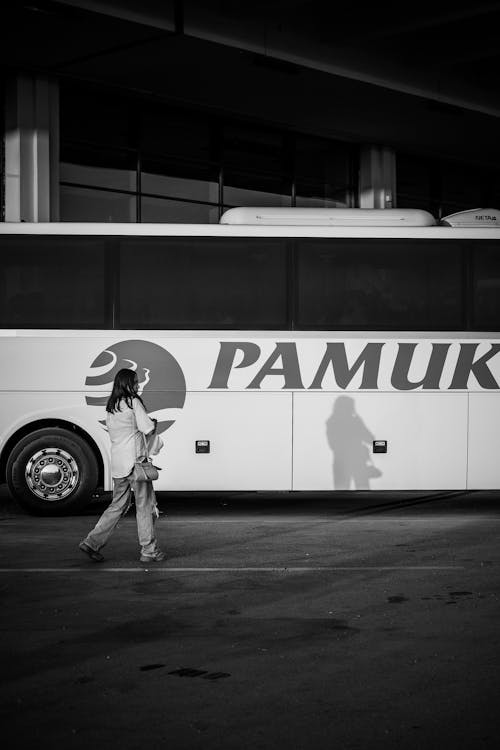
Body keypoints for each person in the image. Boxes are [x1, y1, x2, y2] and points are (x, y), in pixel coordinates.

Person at [79, 368, 165, 563]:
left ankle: (92, 542)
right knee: (145, 506)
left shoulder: (112, 406)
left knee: (117, 505)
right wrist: (153, 422)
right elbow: (147, 428)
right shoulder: (133, 402)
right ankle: (149, 551)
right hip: (135, 464)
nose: (138, 385)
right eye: (135, 382)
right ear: (127, 383)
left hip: (118, 464)